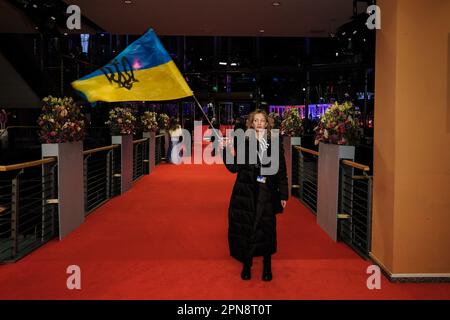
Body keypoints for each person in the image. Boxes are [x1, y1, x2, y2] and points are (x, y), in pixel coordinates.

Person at [219, 109, 288, 281]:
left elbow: (281, 170)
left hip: (267, 190)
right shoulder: (244, 141)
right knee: (247, 227)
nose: (258, 123)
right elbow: (234, 167)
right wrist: (225, 150)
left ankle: (267, 266)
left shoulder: (273, 141)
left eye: (262, 120)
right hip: (247, 190)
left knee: (266, 228)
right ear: (251, 123)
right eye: (255, 120)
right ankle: (247, 264)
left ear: (267, 123)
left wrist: (283, 195)